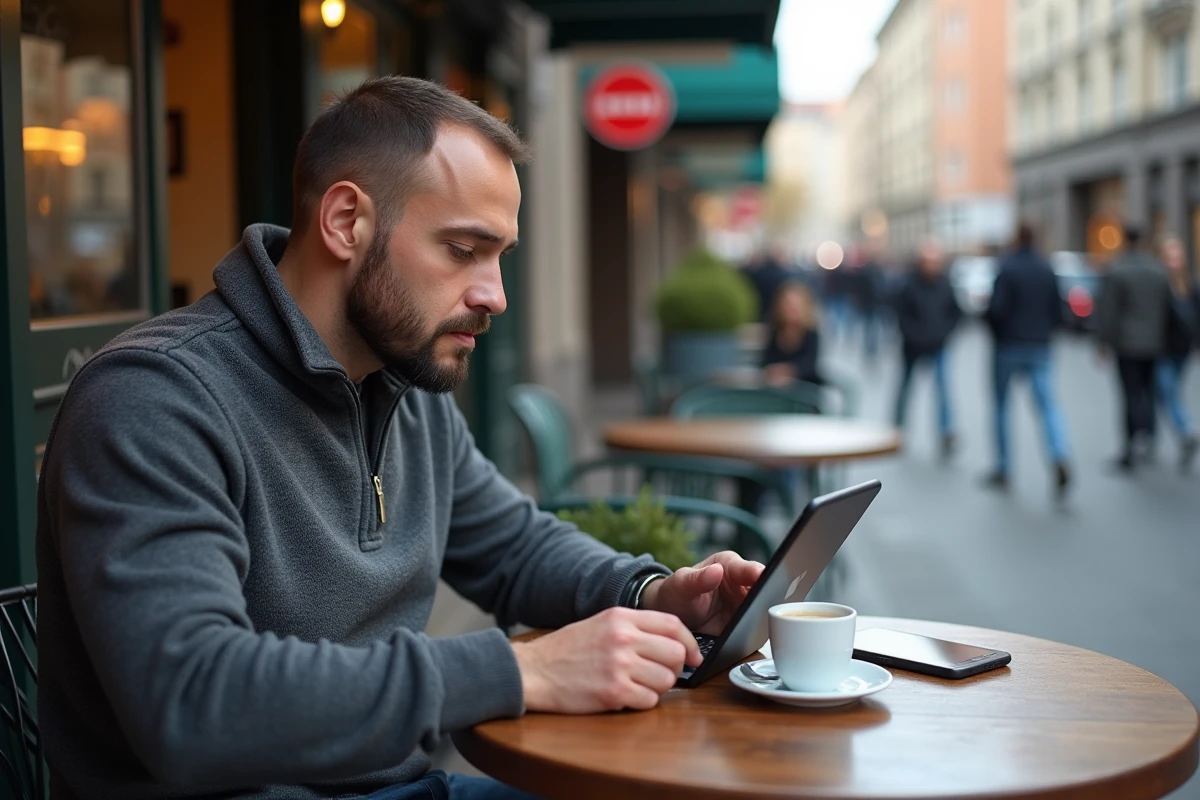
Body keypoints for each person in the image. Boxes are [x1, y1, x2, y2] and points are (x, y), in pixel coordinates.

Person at [35, 77, 764, 800]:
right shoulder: (154, 398)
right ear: (346, 221)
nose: (495, 295)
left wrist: (654, 592)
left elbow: (511, 547)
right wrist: (522, 673)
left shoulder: (402, 382)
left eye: (500, 255)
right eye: (461, 249)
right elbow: (192, 699)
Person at [982, 223, 1072, 499]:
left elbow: (995, 310)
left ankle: (1004, 468)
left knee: (1000, 407)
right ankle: (1059, 453)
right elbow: (1060, 312)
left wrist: (997, 332)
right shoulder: (1047, 269)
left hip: (1008, 346)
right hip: (1039, 347)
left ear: (1016, 238)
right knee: (1047, 407)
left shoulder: (1006, 268)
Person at [1096, 225, 1174, 471]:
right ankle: (1148, 439)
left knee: (1130, 394)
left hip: (1128, 344)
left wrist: (1103, 342)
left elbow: (1108, 312)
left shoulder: (1119, 270)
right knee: (1148, 392)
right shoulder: (1157, 270)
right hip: (1154, 343)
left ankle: (1129, 447)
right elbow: (1169, 307)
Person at [893, 239, 963, 459]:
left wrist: (944, 333)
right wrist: (914, 335)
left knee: (943, 390)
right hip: (912, 347)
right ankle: (897, 430)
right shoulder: (909, 284)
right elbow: (900, 316)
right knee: (905, 389)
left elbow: (956, 313)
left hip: (938, 345)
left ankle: (945, 432)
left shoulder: (945, 284)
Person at [1154, 235, 1199, 471]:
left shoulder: (1189, 285)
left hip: (1180, 350)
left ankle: (1186, 431)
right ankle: (1180, 433)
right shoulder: (1160, 283)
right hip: (1163, 348)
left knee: (1169, 393)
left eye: (1176, 256)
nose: (1173, 261)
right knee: (1167, 393)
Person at [762, 281, 823, 387]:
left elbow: (810, 364)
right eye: (788, 305)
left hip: (804, 390)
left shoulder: (810, 333)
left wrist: (789, 371)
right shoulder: (775, 331)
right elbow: (766, 360)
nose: (791, 310)